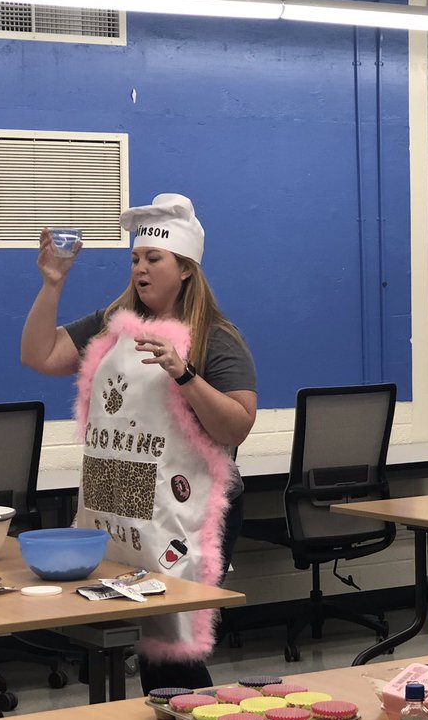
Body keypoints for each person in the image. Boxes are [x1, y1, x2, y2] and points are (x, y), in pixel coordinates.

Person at [21, 193, 257, 691]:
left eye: (154, 259)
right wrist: (52, 285)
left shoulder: (216, 338)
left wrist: (185, 373)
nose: (140, 269)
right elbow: (40, 354)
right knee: (139, 642)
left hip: (185, 511)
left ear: (186, 268)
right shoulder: (112, 326)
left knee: (171, 648)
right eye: (134, 259)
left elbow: (236, 425)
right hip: (124, 502)